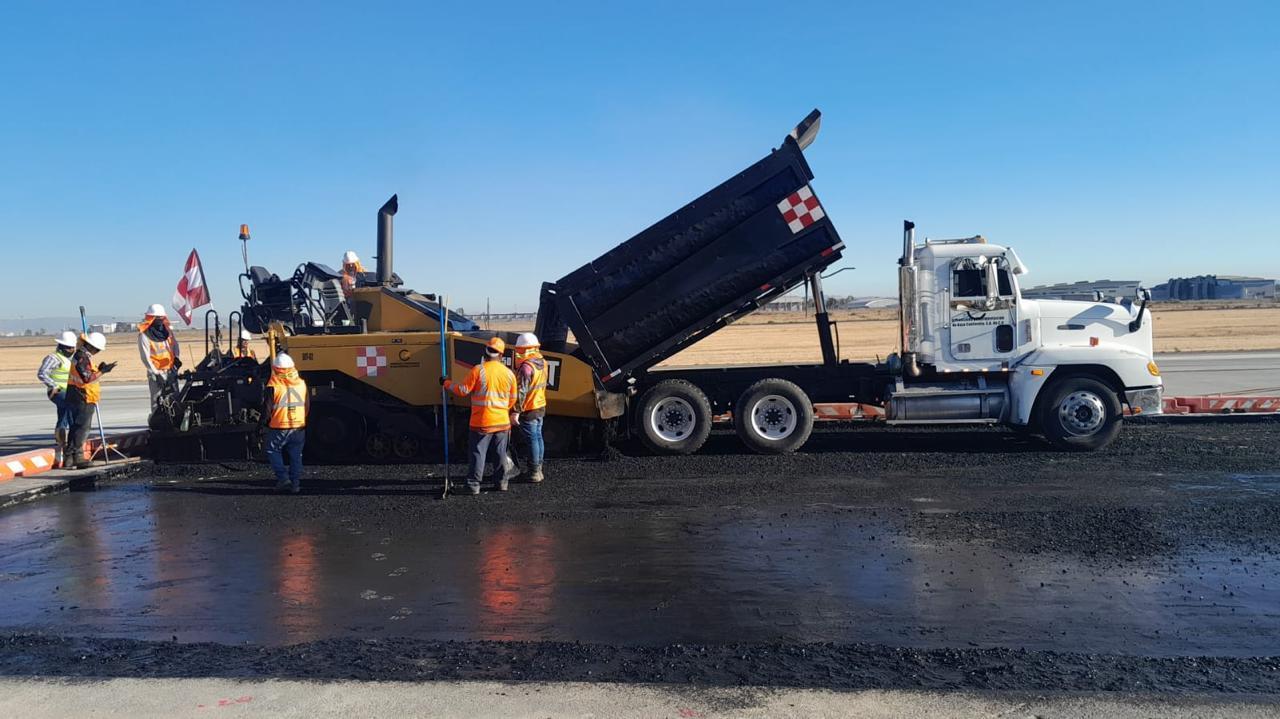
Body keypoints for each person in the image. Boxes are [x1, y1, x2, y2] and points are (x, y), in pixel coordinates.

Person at [441, 336, 518, 495]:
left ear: (486, 352)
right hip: (502, 422)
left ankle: (473, 485)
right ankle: (501, 483)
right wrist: (503, 411)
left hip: (481, 422)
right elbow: (513, 400)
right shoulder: (509, 374)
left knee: (478, 453)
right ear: (501, 355)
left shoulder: (478, 370)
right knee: (500, 454)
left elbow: (462, 390)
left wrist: (446, 383)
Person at [65, 332, 116, 469]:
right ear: (94, 347)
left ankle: (69, 458)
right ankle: (78, 457)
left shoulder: (81, 355)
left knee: (75, 426)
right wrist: (103, 371)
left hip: (75, 393)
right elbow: (87, 378)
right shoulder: (82, 357)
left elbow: (85, 373)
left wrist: (98, 369)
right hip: (83, 396)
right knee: (82, 428)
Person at [264, 352, 308, 494]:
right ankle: (295, 484)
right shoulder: (301, 384)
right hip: (298, 427)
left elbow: (267, 409)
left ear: (276, 368)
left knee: (272, 450)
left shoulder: (273, 386)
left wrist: (262, 426)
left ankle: (283, 479)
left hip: (279, 426)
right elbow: (307, 406)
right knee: (296, 455)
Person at [36, 331, 78, 468]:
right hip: (57, 391)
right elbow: (42, 373)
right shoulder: (54, 358)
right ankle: (65, 443)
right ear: (62, 346)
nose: (72, 350)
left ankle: (63, 441)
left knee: (64, 413)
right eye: (69, 347)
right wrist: (53, 385)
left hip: (69, 392)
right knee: (68, 411)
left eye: (73, 347)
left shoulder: (71, 359)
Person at [511, 332, 548, 483]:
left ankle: (533, 472)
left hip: (529, 408)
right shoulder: (542, 362)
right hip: (540, 405)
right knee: (538, 438)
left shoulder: (526, 368)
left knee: (532, 439)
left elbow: (521, 392)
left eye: (520, 350)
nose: (518, 353)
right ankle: (538, 470)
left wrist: (515, 412)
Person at [138, 304, 181, 410]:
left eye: (162, 318)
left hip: (171, 371)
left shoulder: (168, 332)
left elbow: (175, 345)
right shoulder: (144, 336)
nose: (161, 321)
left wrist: (176, 358)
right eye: (158, 318)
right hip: (156, 372)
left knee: (175, 398)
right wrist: (156, 374)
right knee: (157, 400)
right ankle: (157, 423)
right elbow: (145, 357)